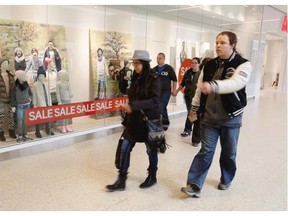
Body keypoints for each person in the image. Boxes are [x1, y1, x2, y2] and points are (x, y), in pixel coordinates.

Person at [180, 31, 252, 198]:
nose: (218, 45)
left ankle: (226, 178)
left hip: (231, 118)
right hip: (209, 118)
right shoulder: (209, 64)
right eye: (216, 42)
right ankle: (194, 184)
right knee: (205, 151)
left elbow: (236, 83)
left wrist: (213, 86)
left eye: (223, 43)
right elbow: (200, 87)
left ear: (232, 45)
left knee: (228, 152)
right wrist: (195, 106)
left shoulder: (243, 64)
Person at [106, 50, 161, 191]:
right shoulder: (135, 78)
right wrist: (125, 121)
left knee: (151, 151)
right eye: (134, 63)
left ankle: (152, 176)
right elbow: (131, 98)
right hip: (133, 122)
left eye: (138, 63)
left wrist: (133, 106)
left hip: (148, 121)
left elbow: (155, 101)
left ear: (145, 63)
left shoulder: (154, 78)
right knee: (125, 148)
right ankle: (121, 179)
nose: (135, 66)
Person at [174, 57, 201, 147]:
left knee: (193, 113)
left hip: (197, 97)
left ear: (199, 64)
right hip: (188, 96)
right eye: (192, 63)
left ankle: (192, 129)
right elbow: (183, 84)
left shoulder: (201, 73)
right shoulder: (188, 72)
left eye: (195, 63)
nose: (193, 64)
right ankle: (188, 129)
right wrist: (177, 91)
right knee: (191, 112)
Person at [153, 53, 177, 130]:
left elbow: (174, 80)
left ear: (164, 59)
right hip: (156, 92)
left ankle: (165, 123)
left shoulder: (169, 68)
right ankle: (164, 121)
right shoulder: (154, 70)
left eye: (160, 58)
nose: (158, 60)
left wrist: (174, 90)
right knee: (161, 107)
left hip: (166, 91)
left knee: (161, 106)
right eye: (157, 58)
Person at [32, 66, 55, 138]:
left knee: (48, 117)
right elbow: (34, 96)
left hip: (47, 103)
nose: (41, 77)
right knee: (38, 118)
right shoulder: (35, 85)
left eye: (43, 76)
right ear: (38, 77)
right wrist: (34, 104)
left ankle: (48, 129)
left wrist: (50, 103)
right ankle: (37, 131)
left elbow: (49, 94)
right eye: (40, 76)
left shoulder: (46, 84)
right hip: (39, 104)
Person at [11, 70, 33, 142]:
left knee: (25, 121)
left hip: (27, 105)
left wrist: (30, 100)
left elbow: (30, 93)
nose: (25, 77)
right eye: (23, 75)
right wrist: (13, 106)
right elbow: (13, 96)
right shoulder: (15, 86)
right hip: (19, 106)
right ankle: (20, 135)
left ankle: (25, 134)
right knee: (20, 121)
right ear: (19, 77)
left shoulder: (27, 85)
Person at [0, 58, 17, 141]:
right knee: (1, 116)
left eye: (7, 63)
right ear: (2, 65)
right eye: (5, 64)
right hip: (1, 99)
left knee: (11, 115)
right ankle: (0, 133)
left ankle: (11, 131)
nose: (7, 65)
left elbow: (13, 86)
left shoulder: (10, 75)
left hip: (10, 98)